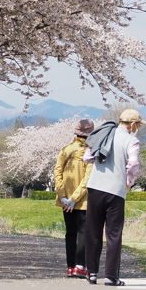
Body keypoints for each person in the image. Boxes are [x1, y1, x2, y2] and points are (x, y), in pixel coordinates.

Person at [82, 108, 145, 286]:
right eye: (138, 124)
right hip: (116, 191)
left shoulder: (104, 134)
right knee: (113, 234)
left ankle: (92, 273)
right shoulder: (132, 141)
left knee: (93, 231)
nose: (137, 127)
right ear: (132, 124)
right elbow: (133, 164)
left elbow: (87, 157)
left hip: (95, 187)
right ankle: (111, 276)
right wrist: (129, 182)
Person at [54, 119, 95, 279]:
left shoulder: (65, 150)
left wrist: (63, 196)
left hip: (65, 201)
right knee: (83, 232)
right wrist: (74, 198)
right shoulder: (89, 152)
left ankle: (70, 267)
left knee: (70, 233)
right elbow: (87, 178)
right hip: (82, 201)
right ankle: (80, 265)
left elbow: (57, 172)